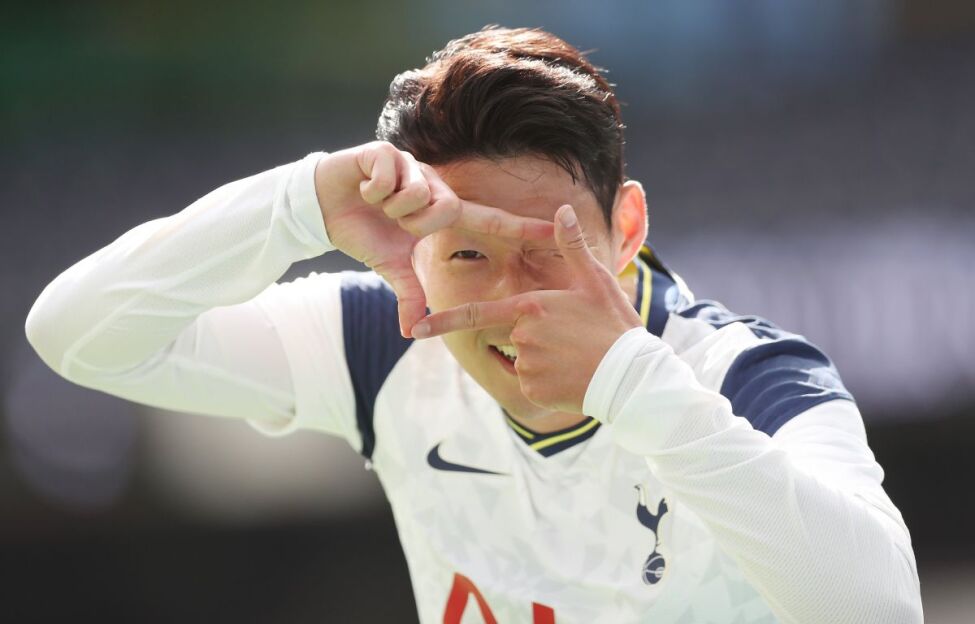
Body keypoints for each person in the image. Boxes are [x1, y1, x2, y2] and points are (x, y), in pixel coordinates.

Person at [24, 25, 922, 624]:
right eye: (465, 252)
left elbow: (879, 609)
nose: (509, 298)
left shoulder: (747, 375)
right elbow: (75, 335)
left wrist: (627, 380)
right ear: (413, 251)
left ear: (627, 228)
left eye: (547, 247)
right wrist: (297, 206)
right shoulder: (384, 342)